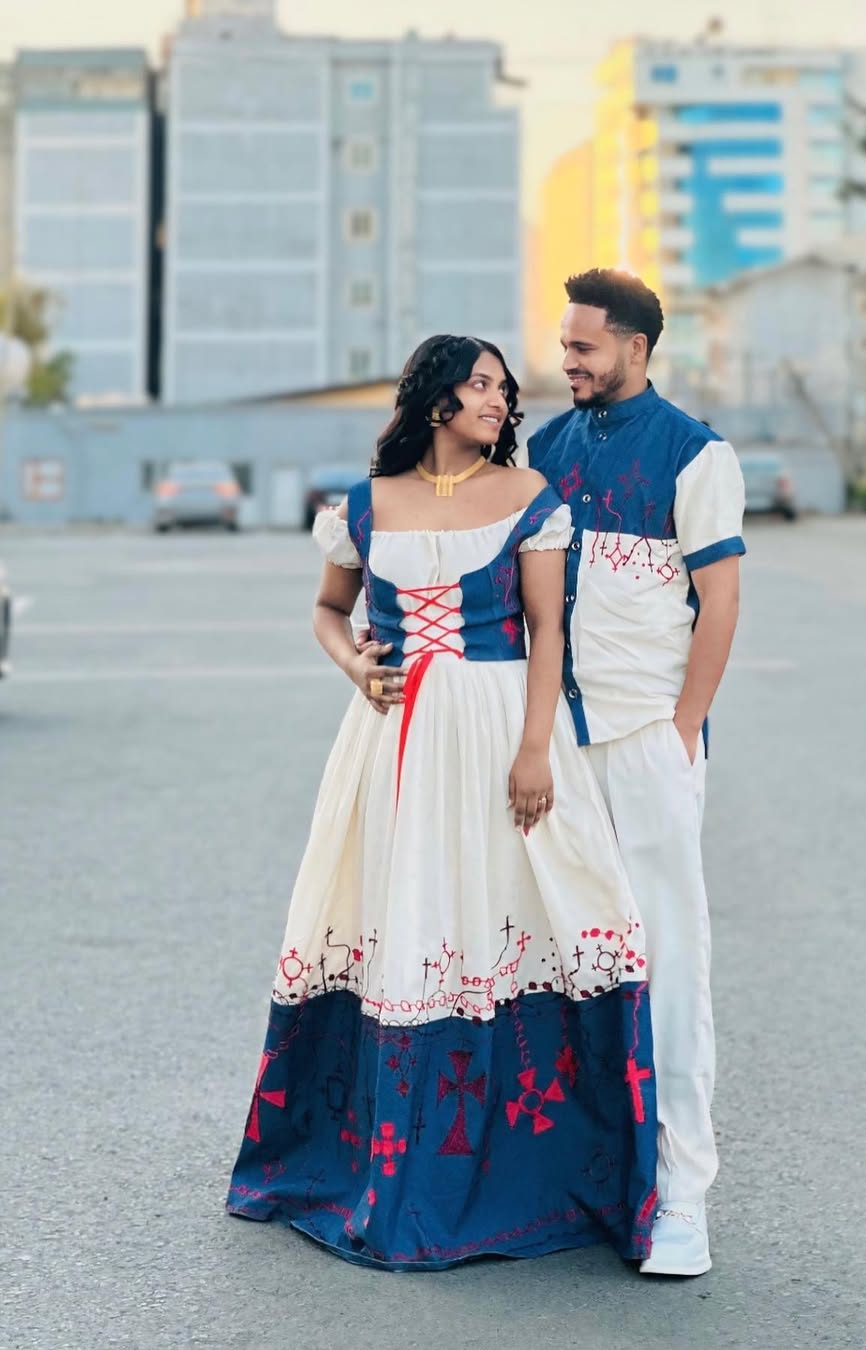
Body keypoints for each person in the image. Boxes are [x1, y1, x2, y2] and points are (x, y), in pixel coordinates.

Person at [227, 335, 658, 1272]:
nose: (501, 401)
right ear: (435, 401)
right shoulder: (365, 507)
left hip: (501, 721)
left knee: (544, 909)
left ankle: (551, 1165)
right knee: (406, 915)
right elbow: (327, 612)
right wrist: (357, 669)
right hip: (394, 741)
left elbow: (548, 631)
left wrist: (536, 750)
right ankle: (391, 1168)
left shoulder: (530, 501)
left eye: (506, 389)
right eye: (481, 385)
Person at [528, 269, 744, 1276]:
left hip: (646, 740)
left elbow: (721, 602)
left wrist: (684, 729)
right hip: (557, 746)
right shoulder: (546, 451)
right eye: (564, 346)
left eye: (584, 348)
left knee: (668, 960)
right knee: (560, 958)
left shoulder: (697, 454)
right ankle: (585, 1180)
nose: (567, 361)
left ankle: (682, 1199)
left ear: (638, 349)